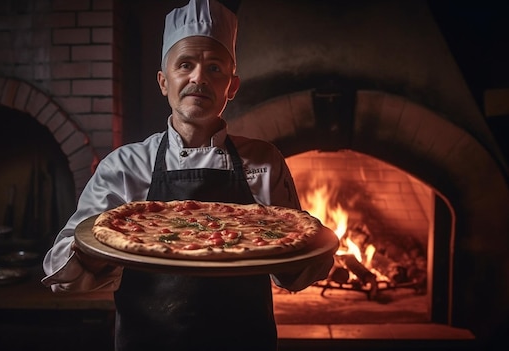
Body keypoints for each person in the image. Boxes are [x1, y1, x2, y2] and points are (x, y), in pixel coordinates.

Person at [42, 1, 337, 350]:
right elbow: (62, 272)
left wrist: (314, 253)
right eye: (185, 65)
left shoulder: (264, 160)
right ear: (164, 82)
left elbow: (294, 273)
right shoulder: (124, 165)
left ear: (232, 86)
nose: (199, 78)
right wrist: (98, 251)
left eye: (214, 68)